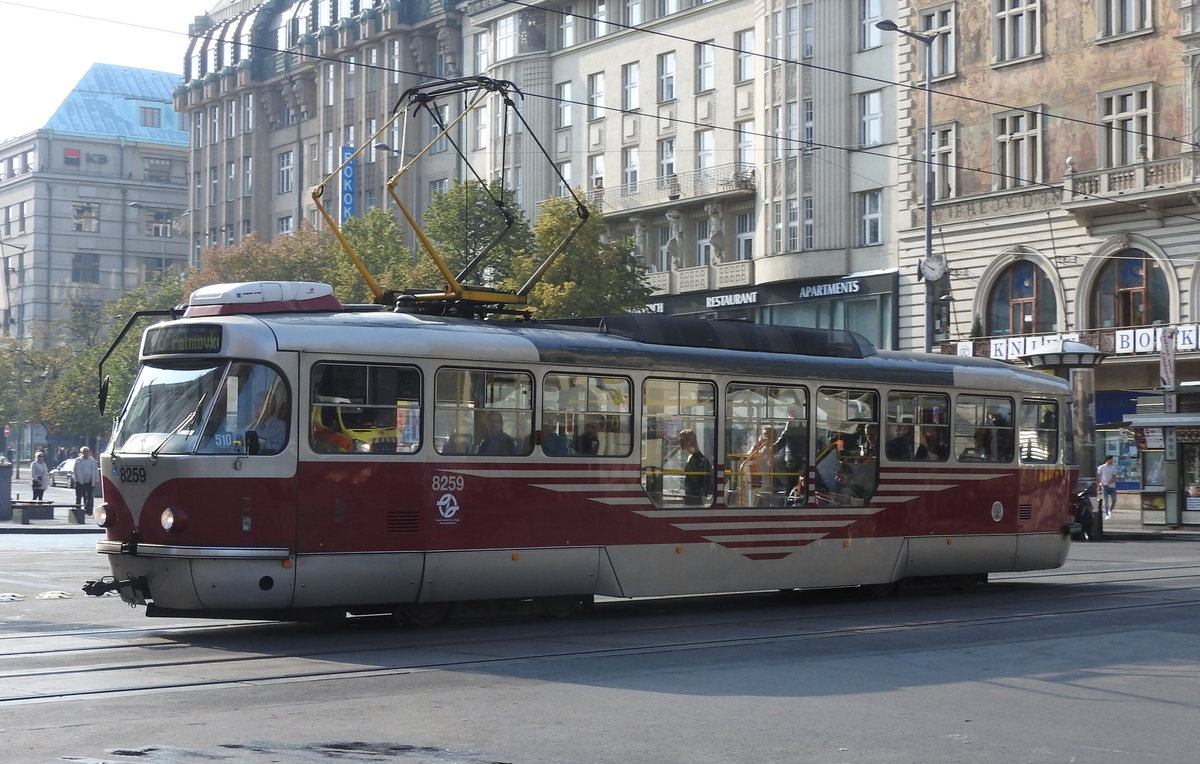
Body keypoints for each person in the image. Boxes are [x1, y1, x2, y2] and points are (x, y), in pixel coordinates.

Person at [678, 428, 714, 506]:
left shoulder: (696, 459)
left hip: (694, 497)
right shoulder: (695, 457)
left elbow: (698, 481)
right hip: (692, 495)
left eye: (681, 440)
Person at [72, 446, 99, 515]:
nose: (86, 453)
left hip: (90, 481)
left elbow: (96, 471)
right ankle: (78, 510)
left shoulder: (92, 460)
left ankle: (89, 510)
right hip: (80, 481)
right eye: (84, 451)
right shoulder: (78, 460)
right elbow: (75, 471)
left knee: (89, 497)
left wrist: (96, 480)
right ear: (82, 453)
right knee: (79, 496)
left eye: (87, 451)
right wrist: (76, 479)